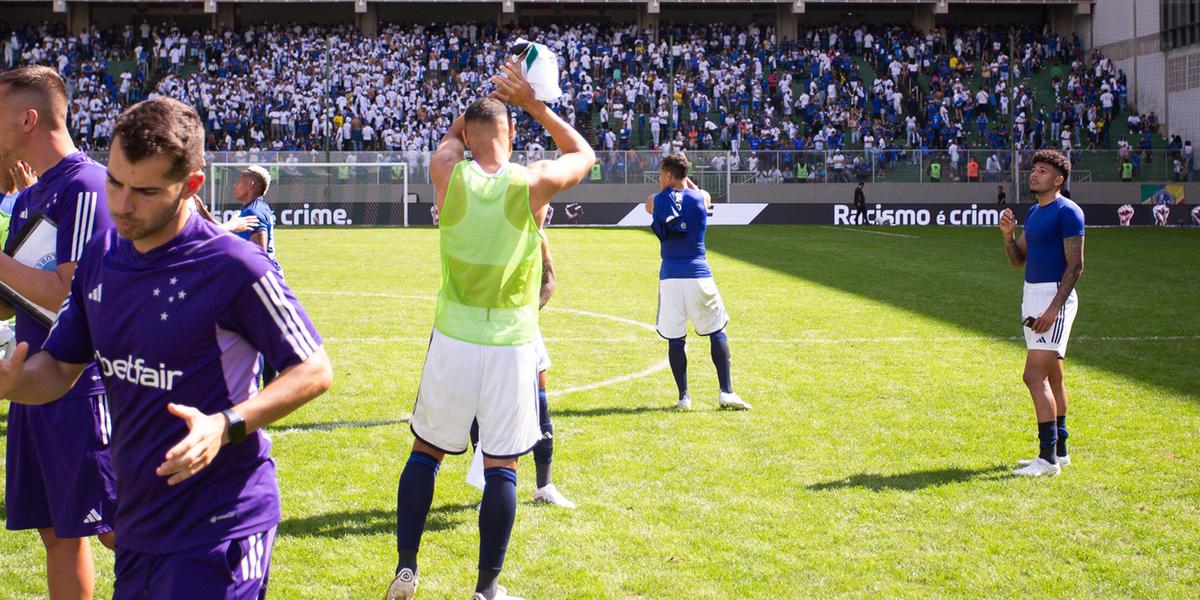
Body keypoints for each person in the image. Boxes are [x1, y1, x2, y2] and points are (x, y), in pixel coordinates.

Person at [0, 96, 333, 598]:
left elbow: (313, 369)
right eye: (114, 181)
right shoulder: (101, 257)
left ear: (191, 186)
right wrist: (13, 383)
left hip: (221, 525)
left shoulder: (235, 267)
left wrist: (225, 425)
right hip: (139, 525)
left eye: (146, 191)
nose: (122, 205)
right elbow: (61, 366)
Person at [386, 60, 594, 600]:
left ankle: (407, 567)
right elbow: (584, 155)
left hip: (452, 337)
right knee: (502, 463)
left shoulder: (445, 173)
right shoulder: (531, 183)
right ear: (509, 135)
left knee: (425, 451)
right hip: (510, 342)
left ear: (469, 137)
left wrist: (483, 108)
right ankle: (487, 588)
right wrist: (531, 102)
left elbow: (455, 139)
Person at [0, 65, 117, 599]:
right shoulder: (29, 196)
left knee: (117, 529)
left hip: (79, 385)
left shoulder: (86, 185)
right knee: (57, 533)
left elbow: (64, 294)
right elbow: (16, 297)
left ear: (27, 117)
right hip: (31, 384)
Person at [998, 149, 1084, 478]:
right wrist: (1008, 236)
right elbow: (1017, 259)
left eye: (1043, 170)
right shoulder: (1034, 214)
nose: (1035, 174)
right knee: (1053, 376)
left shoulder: (1068, 212)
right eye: (1034, 169)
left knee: (1033, 376)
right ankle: (1059, 452)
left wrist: (1053, 309)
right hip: (1032, 295)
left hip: (1053, 297)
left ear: (1058, 180)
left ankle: (1046, 459)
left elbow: (1075, 266)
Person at [645, 153, 750, 412]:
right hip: (699, 274)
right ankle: (726, 392)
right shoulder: (702, 198)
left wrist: (671, 185)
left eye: (661, 174)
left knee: (675, 338)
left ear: (669, 176)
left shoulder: (654, 201)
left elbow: (655, 203)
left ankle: (684, 398)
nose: (659, 179)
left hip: (670, 276)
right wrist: (683, 178)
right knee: (717, 330)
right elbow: (693, 191)